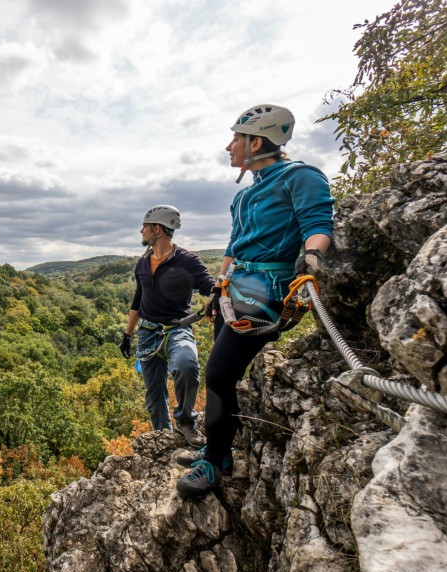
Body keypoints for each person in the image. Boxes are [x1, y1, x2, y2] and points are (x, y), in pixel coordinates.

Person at [176, 104, 334, 498]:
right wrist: (218, 287)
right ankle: (220, 450)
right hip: (235, 290)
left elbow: (317, 224)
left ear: (257, 142)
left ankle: (214, 463)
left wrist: (312, 257)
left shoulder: (300, 177)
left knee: (218, 375)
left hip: (268, 291)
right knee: (222, 374)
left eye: (236, 138)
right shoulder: (245, 195)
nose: (229, 146)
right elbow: (234, 245)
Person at [119, 205, 217, 447]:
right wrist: (127, 335)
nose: (141, 231)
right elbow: (138, 301)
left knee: (186, 365)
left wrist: (217, 299)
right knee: (155, 397)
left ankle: (185, 421)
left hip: (177, 329)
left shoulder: (187, 261)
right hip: (147, 333)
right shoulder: (142, 264)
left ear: (157, 228)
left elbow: (209, 286)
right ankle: (164, 438)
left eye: (144, 226)